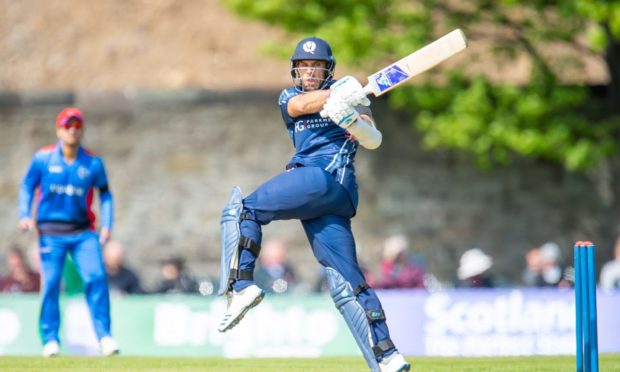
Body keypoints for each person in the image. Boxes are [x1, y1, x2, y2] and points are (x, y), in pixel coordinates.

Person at [216, 37, 410, 371]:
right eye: (304, 67)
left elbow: (373, 139)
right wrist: (337, 96)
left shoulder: (354, 99)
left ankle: (242, 285)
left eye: (316, 66)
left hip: (323, 179)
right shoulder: (290, 97)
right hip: (330, 199)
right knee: (347, 281)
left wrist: (350, 118)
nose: (308, 72)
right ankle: (387, 356)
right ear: (296, 70)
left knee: (243, 210)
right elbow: (301, 107)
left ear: (327, 69)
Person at [18, 107, 119, 357]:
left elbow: (105, 195)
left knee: (96, 278)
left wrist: (107, 225)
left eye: (77, 125)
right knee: (51, 283)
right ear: (58, 129)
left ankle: (104, 336)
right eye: (67, 125)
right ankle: (50, 339)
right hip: (51, 232)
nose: (72, 130)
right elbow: (27, 185)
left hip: (83, 232)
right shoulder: (43, 158)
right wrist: (24, 215)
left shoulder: (93, 162)